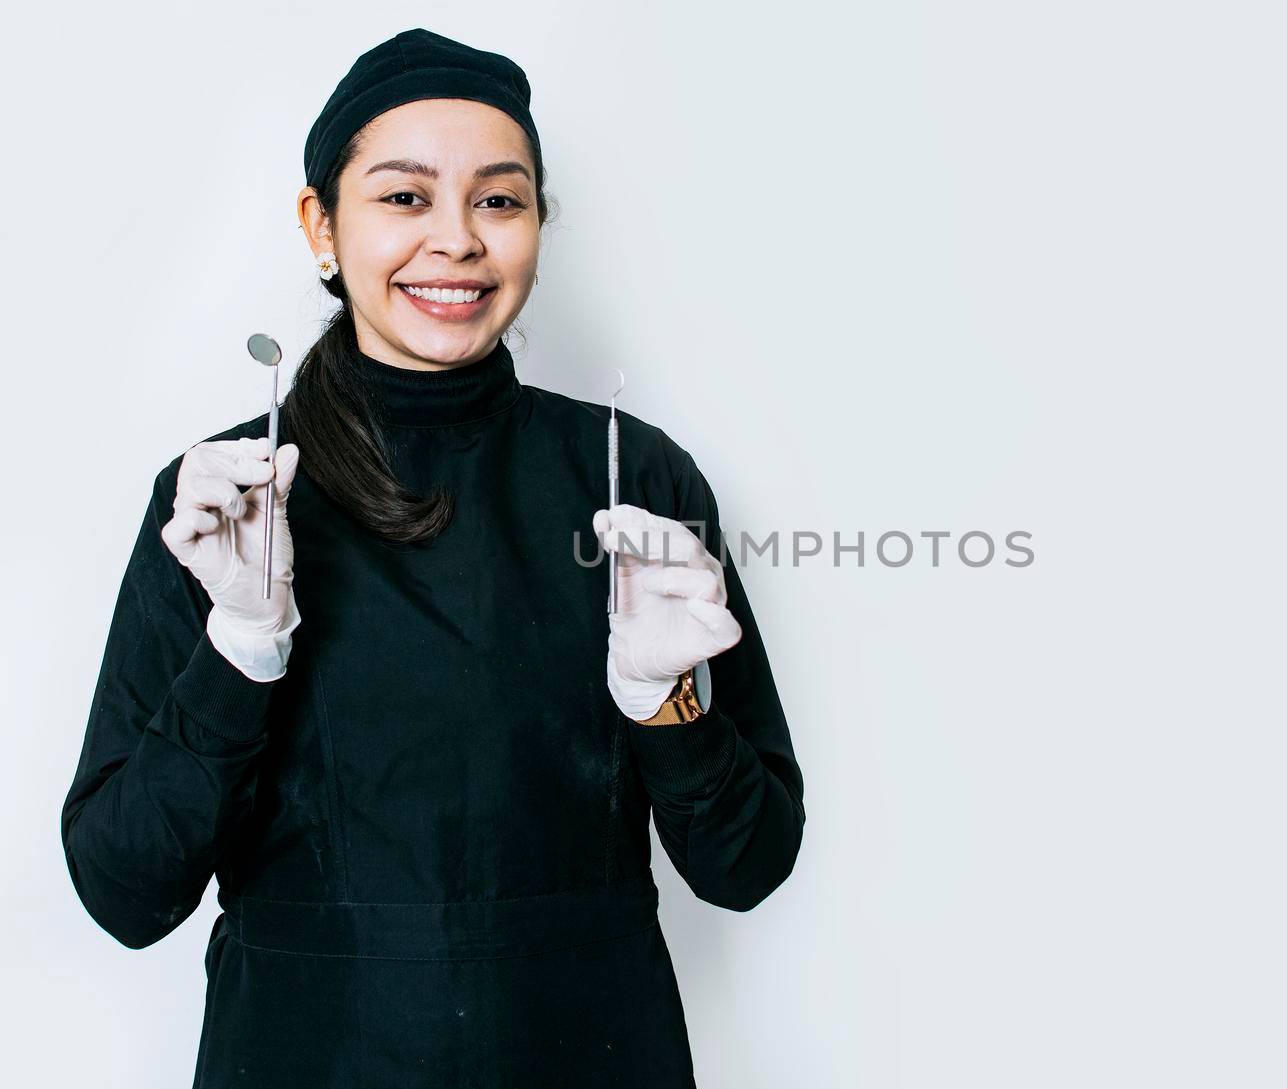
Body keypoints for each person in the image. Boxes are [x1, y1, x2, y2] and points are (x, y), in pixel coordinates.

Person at [59, 27, 805, 1088]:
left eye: (499, 200)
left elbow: (748, 866)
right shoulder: (225, 503)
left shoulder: (635, 479)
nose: (455, 240)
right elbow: (122, 893)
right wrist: (239, 649)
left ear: (540, 225)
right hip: (306, 1057)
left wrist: (664, 707)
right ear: (321, 225)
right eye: (404, 198)